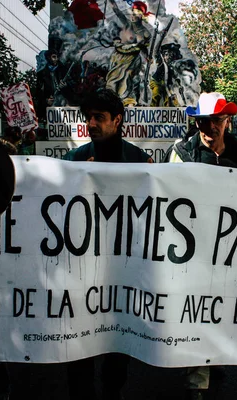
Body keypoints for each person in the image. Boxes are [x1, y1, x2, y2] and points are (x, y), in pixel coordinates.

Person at [166, 92, 237, 400]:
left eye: (216, 121)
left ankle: (211, 358)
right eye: (202, 121)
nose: (208, 128)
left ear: (227, 120)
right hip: (192, 250)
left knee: (220, 310)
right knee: (195, 310)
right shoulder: (181, 151)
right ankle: (196, 381)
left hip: (230, 251)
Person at [63, 88, 151, 400]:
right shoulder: (74, 159)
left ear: (117, 119)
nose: (91, 123)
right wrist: (74, 178)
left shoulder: (140, 160)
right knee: (79, 345)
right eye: (88, 117)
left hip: (121, 272)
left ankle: (112, 391)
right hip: (82, 271)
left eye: (99, 117)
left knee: (118, 342)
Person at [105, 0, 152, 106]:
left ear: (141, 16)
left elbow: (144, 48)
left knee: (126, 79)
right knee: (112, 80)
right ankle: (110, 103)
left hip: (132, 60)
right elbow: (118, 12)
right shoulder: (127, 24)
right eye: (133, 13)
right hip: (119, 57)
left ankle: (124, 103)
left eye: (136, 14)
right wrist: (113, 3)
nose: (133, 16)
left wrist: (148, 57)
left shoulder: (145, 33)